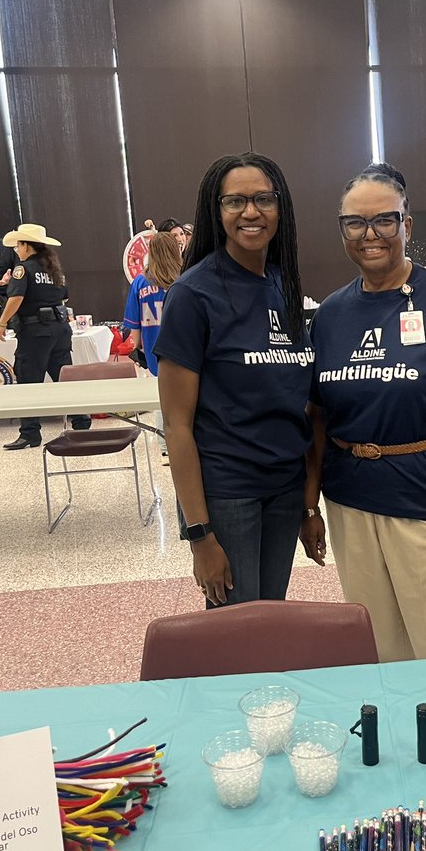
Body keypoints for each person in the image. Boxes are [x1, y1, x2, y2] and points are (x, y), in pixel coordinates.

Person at [304, 163, 426, 661]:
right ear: (342, 230)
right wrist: (310, 506)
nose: (371, 235)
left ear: (407, 226)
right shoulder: (330, 315)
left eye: (384, 221)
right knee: (378, 648)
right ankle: (391, 737)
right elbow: (319, 417)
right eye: (355, 223)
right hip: (349, 502)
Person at [154, 153, 313, 609]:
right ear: (215, 211)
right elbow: (177, 425)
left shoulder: (284, 285)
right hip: (228, 494)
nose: (250, 212)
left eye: (263, 198)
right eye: (235, 201)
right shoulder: (193, 294)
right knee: (235, 632)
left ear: (280, 207)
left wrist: (305, 504)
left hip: (283, 488)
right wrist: (199, 535)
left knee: (269, 617)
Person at [0, 223, 91, 450]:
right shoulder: (54, 269)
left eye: (18, 245)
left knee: (28, 382)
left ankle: (29, 434)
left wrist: (2, 323)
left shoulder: (22, 269)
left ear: (27, 246)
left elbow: (16, 299)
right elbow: (62, 298)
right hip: (59, 329)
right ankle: (81, 421)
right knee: (63, 378)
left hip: (35, 332)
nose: (16, 249)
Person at [123, 230, 183, 461]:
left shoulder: (140, 282)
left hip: (155, 350)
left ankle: (166, 446)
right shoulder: (185, 279)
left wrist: (138, 346)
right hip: (185, 348)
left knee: (162, 400)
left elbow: (134, 329)